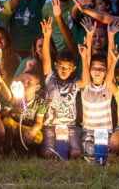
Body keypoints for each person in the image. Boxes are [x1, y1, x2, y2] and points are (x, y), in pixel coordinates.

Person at [40, 17, 89, 159]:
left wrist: (84, 58)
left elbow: (85, 81)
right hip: (50, 125)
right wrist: (47, 36)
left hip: (70, 126)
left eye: (67, 68)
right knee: (49, 154)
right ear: (56, 65)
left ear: (73, 68)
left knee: (76, 154)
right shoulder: (50, 79)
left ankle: (67, 149)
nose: (63, 70)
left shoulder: (73, 83)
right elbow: (46, 60)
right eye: (61, 66)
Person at [2, 70, 46, 151]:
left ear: (37, 87)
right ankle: (9, 146)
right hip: (14, 126)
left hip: (27, 128)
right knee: (7, 121)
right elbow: (4, 114)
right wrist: (11, 112)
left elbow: (39, 122)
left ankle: (23, 149)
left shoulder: (40, 102)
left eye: (29, 82)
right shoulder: (12, 96)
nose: (25, 85)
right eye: (22, 81)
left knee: (38, 137)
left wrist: (33, 130)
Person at [79, 53, 113, 156]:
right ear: (89, 70)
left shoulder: (108, 86)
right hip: (89, 132)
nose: (97, 71)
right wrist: (89, 37)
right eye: (94, 68)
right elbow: (86, 60)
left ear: (106, 71)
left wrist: (111, 37)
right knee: (90, 153)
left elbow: (111, 61)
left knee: (104, 153)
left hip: (105, 132)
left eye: (101, 68)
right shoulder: (85, 86)